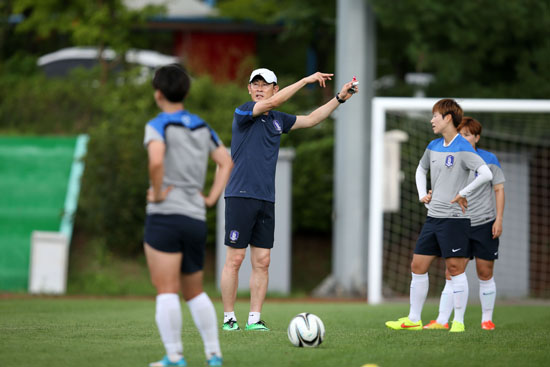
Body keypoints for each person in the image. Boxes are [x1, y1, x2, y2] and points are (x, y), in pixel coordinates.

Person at [220, 68, 358, 331]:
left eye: (266, 84)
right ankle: (229, 318)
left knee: (262, 261)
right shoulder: (243, 112)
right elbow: (272, 103)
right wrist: (305, 80)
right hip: (240, 195)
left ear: (275, 86)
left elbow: (311, 119)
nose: (260, 88)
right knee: (235, 260)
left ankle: (254, 319)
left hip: (266, 198)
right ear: (249, 89)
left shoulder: (278, 120)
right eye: (255, 84)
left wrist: (339, 99)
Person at [143, 64, 233, 366]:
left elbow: (156, 162)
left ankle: (175, 357)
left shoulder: (158, 125)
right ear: (186, 92)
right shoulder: (201, 126)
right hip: (195, 218)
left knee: (166, 290)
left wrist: (156, 192)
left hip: (165, 215)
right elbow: (226, 161)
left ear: (158, 94)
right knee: (194, 292)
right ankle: (214, 355)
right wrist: (209, 198)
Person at [385, 99, 493, 333]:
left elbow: (485, 174)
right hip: (433, 218)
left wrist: (463, 192)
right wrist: (423, 194)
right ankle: (414, 319)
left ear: (447, 118)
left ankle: (458, 322)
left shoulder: (463, 147)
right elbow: (420, 169)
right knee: (417, 265)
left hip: (455, 220)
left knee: (455, 269)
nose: (432, 120)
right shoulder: (433, 145)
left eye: (435, 115)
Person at [423, 116, 505, 331]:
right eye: (462, 134)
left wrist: (499, 218)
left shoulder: (488, 159)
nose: (465, 138)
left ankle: (486, 319)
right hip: (457, 222)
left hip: (484, 222)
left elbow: (498, 189)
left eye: (469, 134)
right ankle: (442, 320)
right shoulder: (450, 155)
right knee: (451, 272)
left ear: (477, 137)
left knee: (485, 272)